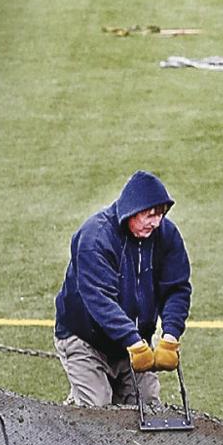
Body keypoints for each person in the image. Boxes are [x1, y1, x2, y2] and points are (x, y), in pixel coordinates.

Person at [54, 170, 191, 407]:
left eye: (160, 214)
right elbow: (99, 299)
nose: (156, 222)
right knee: (97, 409)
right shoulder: (95, 238)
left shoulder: (166, 235)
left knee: (148, 407)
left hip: (133, 341)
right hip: (86, 339)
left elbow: (176, 289)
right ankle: (75, 409)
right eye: (150, 215)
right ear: (131, 211)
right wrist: (134, 341)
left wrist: (170, 336)